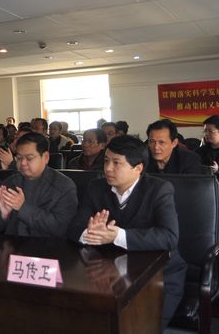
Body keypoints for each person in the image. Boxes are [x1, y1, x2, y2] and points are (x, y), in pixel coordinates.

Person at [67, 135, 186, 328]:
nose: (107, 168)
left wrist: (118, 236)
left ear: (138, 168)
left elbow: (169, 237)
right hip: (109, 271)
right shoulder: (96, 187)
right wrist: (90, 233)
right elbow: (74, 228)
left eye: (116, 163)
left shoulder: (159, 190)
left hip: (158, 275)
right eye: (106, 161)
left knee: (143, 328)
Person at [0, 132, 77, 238]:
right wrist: (2, 215)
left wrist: (23, 208)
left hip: (47, 246)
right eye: (19, 158)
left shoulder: (64, 186)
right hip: (12, 244)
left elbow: (61, 228)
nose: (23, 163)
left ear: (46, 157)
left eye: (29, 158)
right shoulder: (10, 183)